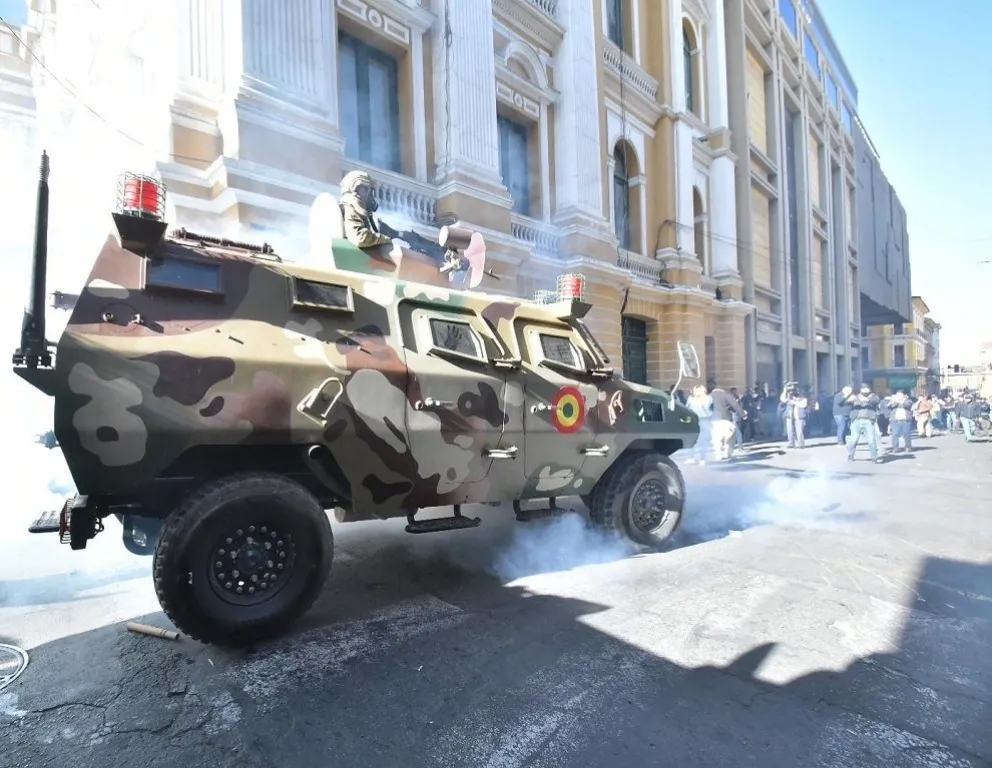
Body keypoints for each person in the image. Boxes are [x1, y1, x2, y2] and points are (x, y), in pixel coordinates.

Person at [339, 170, 447, 262]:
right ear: (356, 188)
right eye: (367, 190)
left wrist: (395, 235)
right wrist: (385, 239)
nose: (371, 195)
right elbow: (360, 237)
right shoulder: (350, 208)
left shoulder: (356, 211)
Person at [847, 384, 883, 463]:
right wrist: (849, 399)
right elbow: (847, 403)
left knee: (871, 440)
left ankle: (874, 457)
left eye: (867, 389)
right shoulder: (855, 397)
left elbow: (876, 400)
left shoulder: (874, 397)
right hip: (856, 420)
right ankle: (850, 455)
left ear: (869, 390)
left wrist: (867, 400)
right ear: (861, 390)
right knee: (853, 440)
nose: (865, 391)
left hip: (868, 421)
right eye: (863, 389)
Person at [711, 385, 745, 460]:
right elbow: (735, 405)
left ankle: (718, 454)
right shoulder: (726, 395)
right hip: (726, 418)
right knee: (729, 437)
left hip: (715, 420)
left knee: (717, 438)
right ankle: (727, 453)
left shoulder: (710, 395)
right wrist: (743, 414)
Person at [685, 385, 714, 465]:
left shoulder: (691, 399)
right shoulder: (709, 398)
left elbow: (687, 409)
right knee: (704, 441)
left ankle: (690, 458)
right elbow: (712, 410)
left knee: (692, 440)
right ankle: (703, 460)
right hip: (705, 420)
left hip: (694, 420)